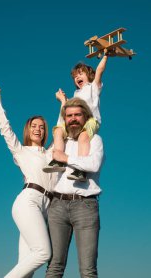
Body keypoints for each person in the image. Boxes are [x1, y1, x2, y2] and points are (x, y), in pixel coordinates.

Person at [0, 86, 54, 278]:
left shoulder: (50, 154)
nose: (38, 129)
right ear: (28, 130)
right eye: (34, 126)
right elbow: (5, 129)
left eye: (41, 127)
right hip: (28, 201)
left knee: (27, 268)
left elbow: (61, 131)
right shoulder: (21, 151)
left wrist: (64, 105)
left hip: (45, 208)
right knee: (43, 253)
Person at [45, 97, 104, 278]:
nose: (73, 119)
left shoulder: (95, 140)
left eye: (77, 115)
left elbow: (93, 165)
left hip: (85, 205)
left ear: (85, 117)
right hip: (57, 205)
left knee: (87, 270)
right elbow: (47, 161)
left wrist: (66, 159)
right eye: (69, 116)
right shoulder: (60, 142)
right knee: (54, 266)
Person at [43, 51, 110, 182]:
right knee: (57, 130)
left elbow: (100, 71)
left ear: (89, 75)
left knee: (83, 136)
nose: (77, 77)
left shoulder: (93, 88)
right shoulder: (75, 95)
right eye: (75, 76)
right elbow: (66, 114)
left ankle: (81, 170)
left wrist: (106, 55)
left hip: (90, 121)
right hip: (75, 122)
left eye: (80, 74)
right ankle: (58, 161)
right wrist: (63, 100)